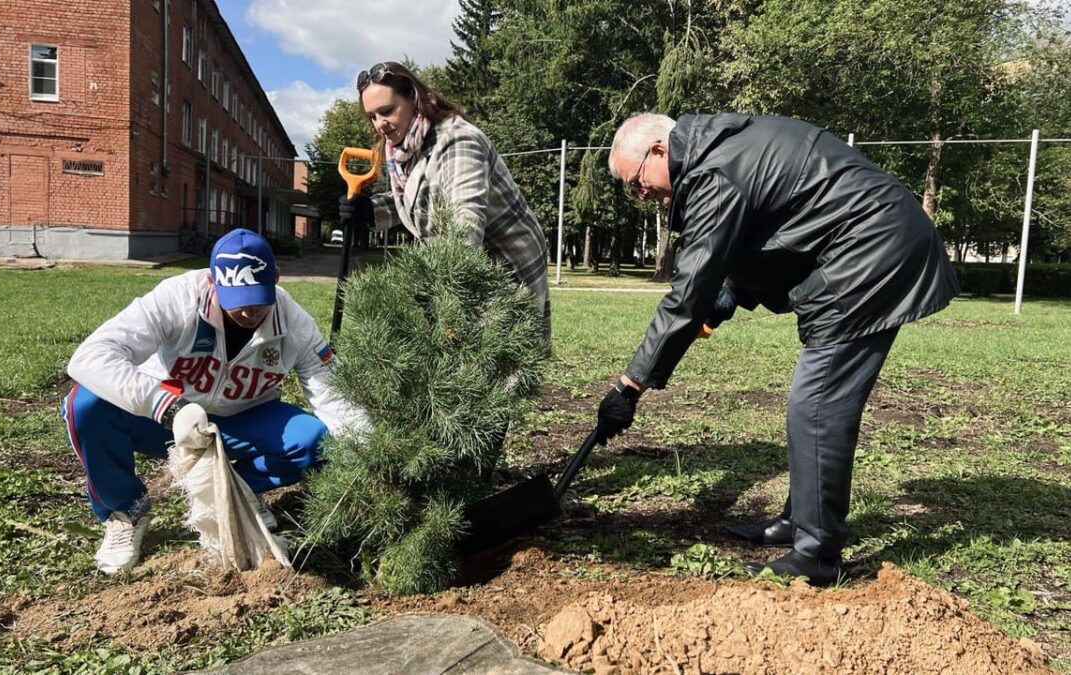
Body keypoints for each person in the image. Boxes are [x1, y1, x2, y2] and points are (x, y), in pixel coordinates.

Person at [595, 113, 960, 585]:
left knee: (817, 405)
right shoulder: (718, 152)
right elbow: (771, 229)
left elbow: (687, 295)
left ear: (659, 151)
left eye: (637, 181)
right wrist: (730, 293)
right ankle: (799, 520)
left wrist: (630, 385)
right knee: (814, 403)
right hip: (865, 244)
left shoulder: (713, 172)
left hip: (871, 252)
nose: (640, 194)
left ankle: (817, 555)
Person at [62, 228, 369, 574]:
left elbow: (334, 396)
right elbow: (89, 357)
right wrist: (166, 407)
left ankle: (241, 491)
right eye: (236, 298)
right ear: (213, 280)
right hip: (168, 421)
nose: (249, 311)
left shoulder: (294, 322)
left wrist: (373, 456)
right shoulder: (177, 299)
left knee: (315, 440)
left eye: (258, 295)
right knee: (86, 404)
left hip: (244, 419)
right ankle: (125, 511)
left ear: (277, 278)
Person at [339, 61, 551, 339]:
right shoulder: (406, 151)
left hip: (506, 266)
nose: (380, 124)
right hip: (461, 268)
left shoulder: (458, 141)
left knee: (502, 364)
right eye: (372, 116)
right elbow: (419, 198)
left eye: (387, 111)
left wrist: (427, 285)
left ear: (413, 99)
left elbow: (465, 223)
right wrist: (369, 210)